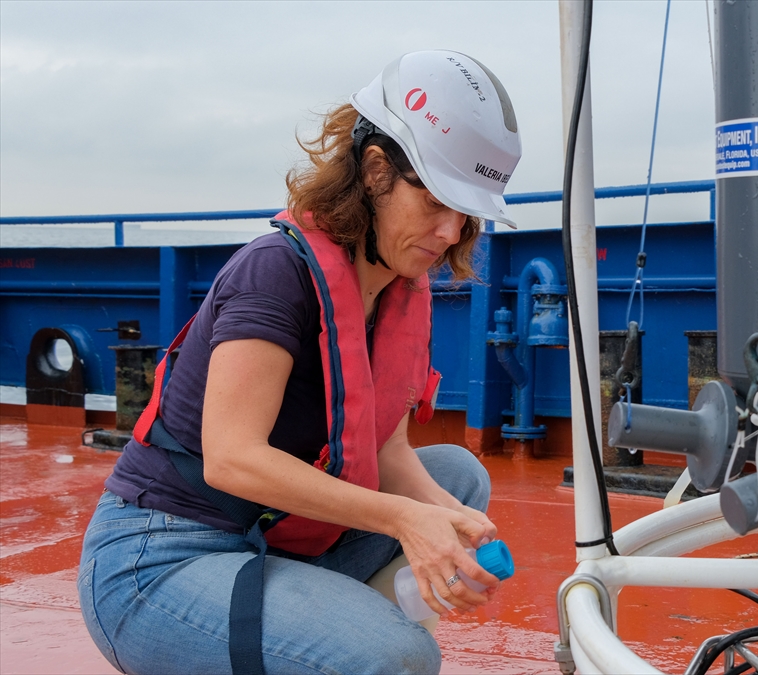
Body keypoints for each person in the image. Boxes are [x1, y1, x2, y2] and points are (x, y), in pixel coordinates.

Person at [77, 50, 523, 675]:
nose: (452, 232)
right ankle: (335, 644)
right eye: (435, 201)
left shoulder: (395, 288)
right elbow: (233, 457)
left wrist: (446, 524)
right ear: (375, 171)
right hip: (160, 559)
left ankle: (319, 636)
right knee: (398, 657)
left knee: (456, 481)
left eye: (466, 212)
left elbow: (388, 452)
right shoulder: (274, 273)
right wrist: (406, 520)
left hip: (274, 542)